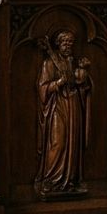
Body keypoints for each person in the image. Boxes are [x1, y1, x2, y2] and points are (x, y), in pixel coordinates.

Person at [35, 28, 92, 197]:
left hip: (73, 104)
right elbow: (42, 88)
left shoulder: (73, 62)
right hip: (57, 107)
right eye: (64, 42)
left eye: (70, 42)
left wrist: (83, 73)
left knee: (72, 142)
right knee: (58, 142)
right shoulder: (49, 63)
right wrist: (59, 82)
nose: (68, 45)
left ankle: (71, 180)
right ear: (57, 44)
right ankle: (51, 179)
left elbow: (82, 83)